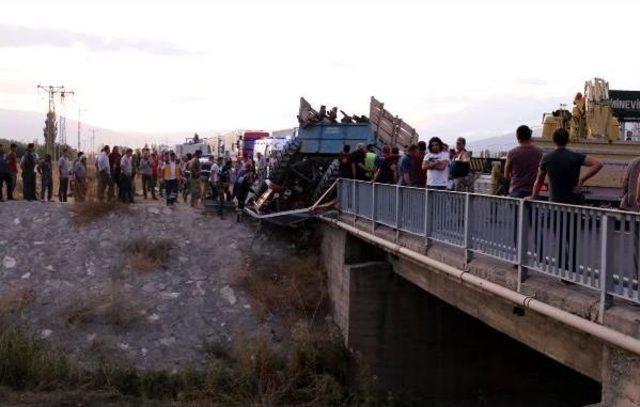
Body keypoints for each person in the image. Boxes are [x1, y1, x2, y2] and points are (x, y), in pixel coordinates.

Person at [528, 128, 603, 204]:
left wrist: (533, 196)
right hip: (573, 203)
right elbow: (599, 164)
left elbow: (539, 180)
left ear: (553, 140)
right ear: (567, 141)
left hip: (555, 203)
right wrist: (582, 180)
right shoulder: (575, 156)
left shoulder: (547, 158)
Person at [504, 125, 543, 198]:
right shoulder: (539, 152)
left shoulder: (512, 153)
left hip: (516, 191)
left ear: (517, 137)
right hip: (533, 193)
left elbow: (506, 175)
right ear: (530, 136)